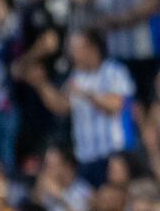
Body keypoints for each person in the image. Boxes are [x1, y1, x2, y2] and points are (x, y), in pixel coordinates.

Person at [27, 31, 137, 186]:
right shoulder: (77, 76)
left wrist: (86, 93)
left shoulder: (115, 71)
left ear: (92, 48)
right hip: (86, 156)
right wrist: (41, 84)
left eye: (76, 49)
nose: (73, 54)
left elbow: (115, 105)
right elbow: (61, 106)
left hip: (114, 153)